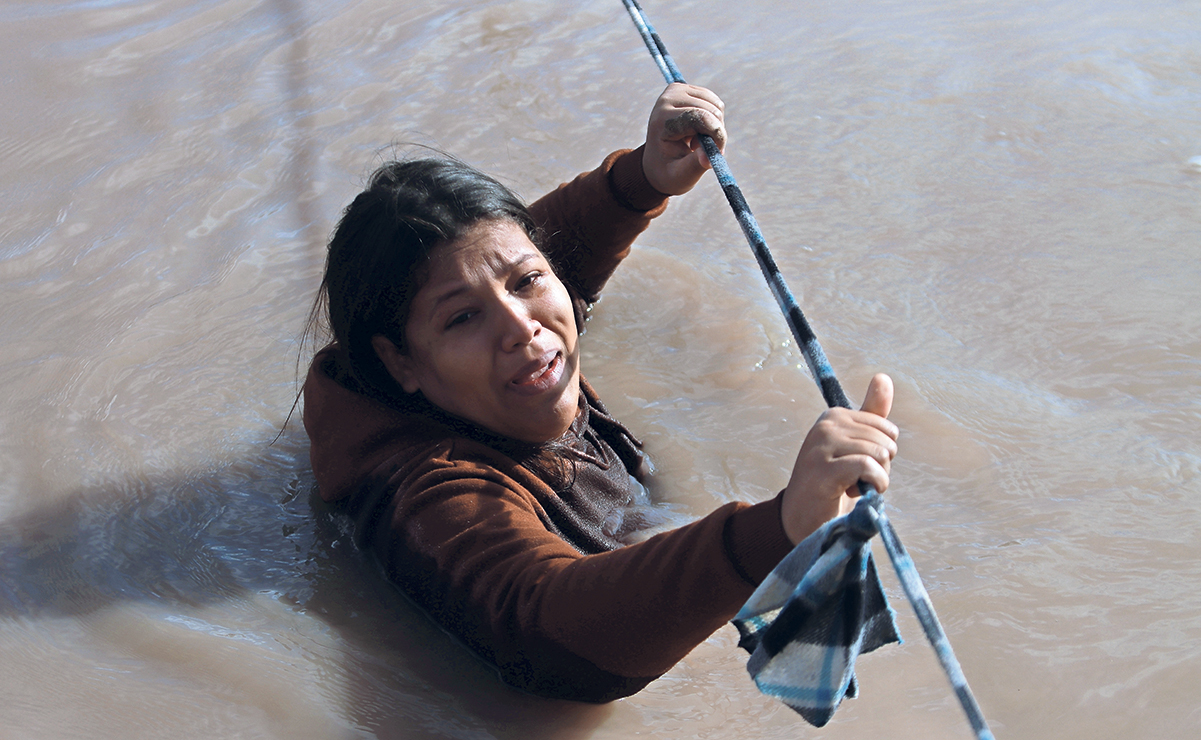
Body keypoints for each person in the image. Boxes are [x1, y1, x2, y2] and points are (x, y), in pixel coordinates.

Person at [301, 83, 899, 702]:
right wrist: (780, 528)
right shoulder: (429, 492)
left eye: (530, 281)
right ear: (399, 362)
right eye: (462, 319)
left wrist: (643, 177)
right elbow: (547, 626)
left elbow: (542, 250)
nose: (520, 327)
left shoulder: (500, 349)